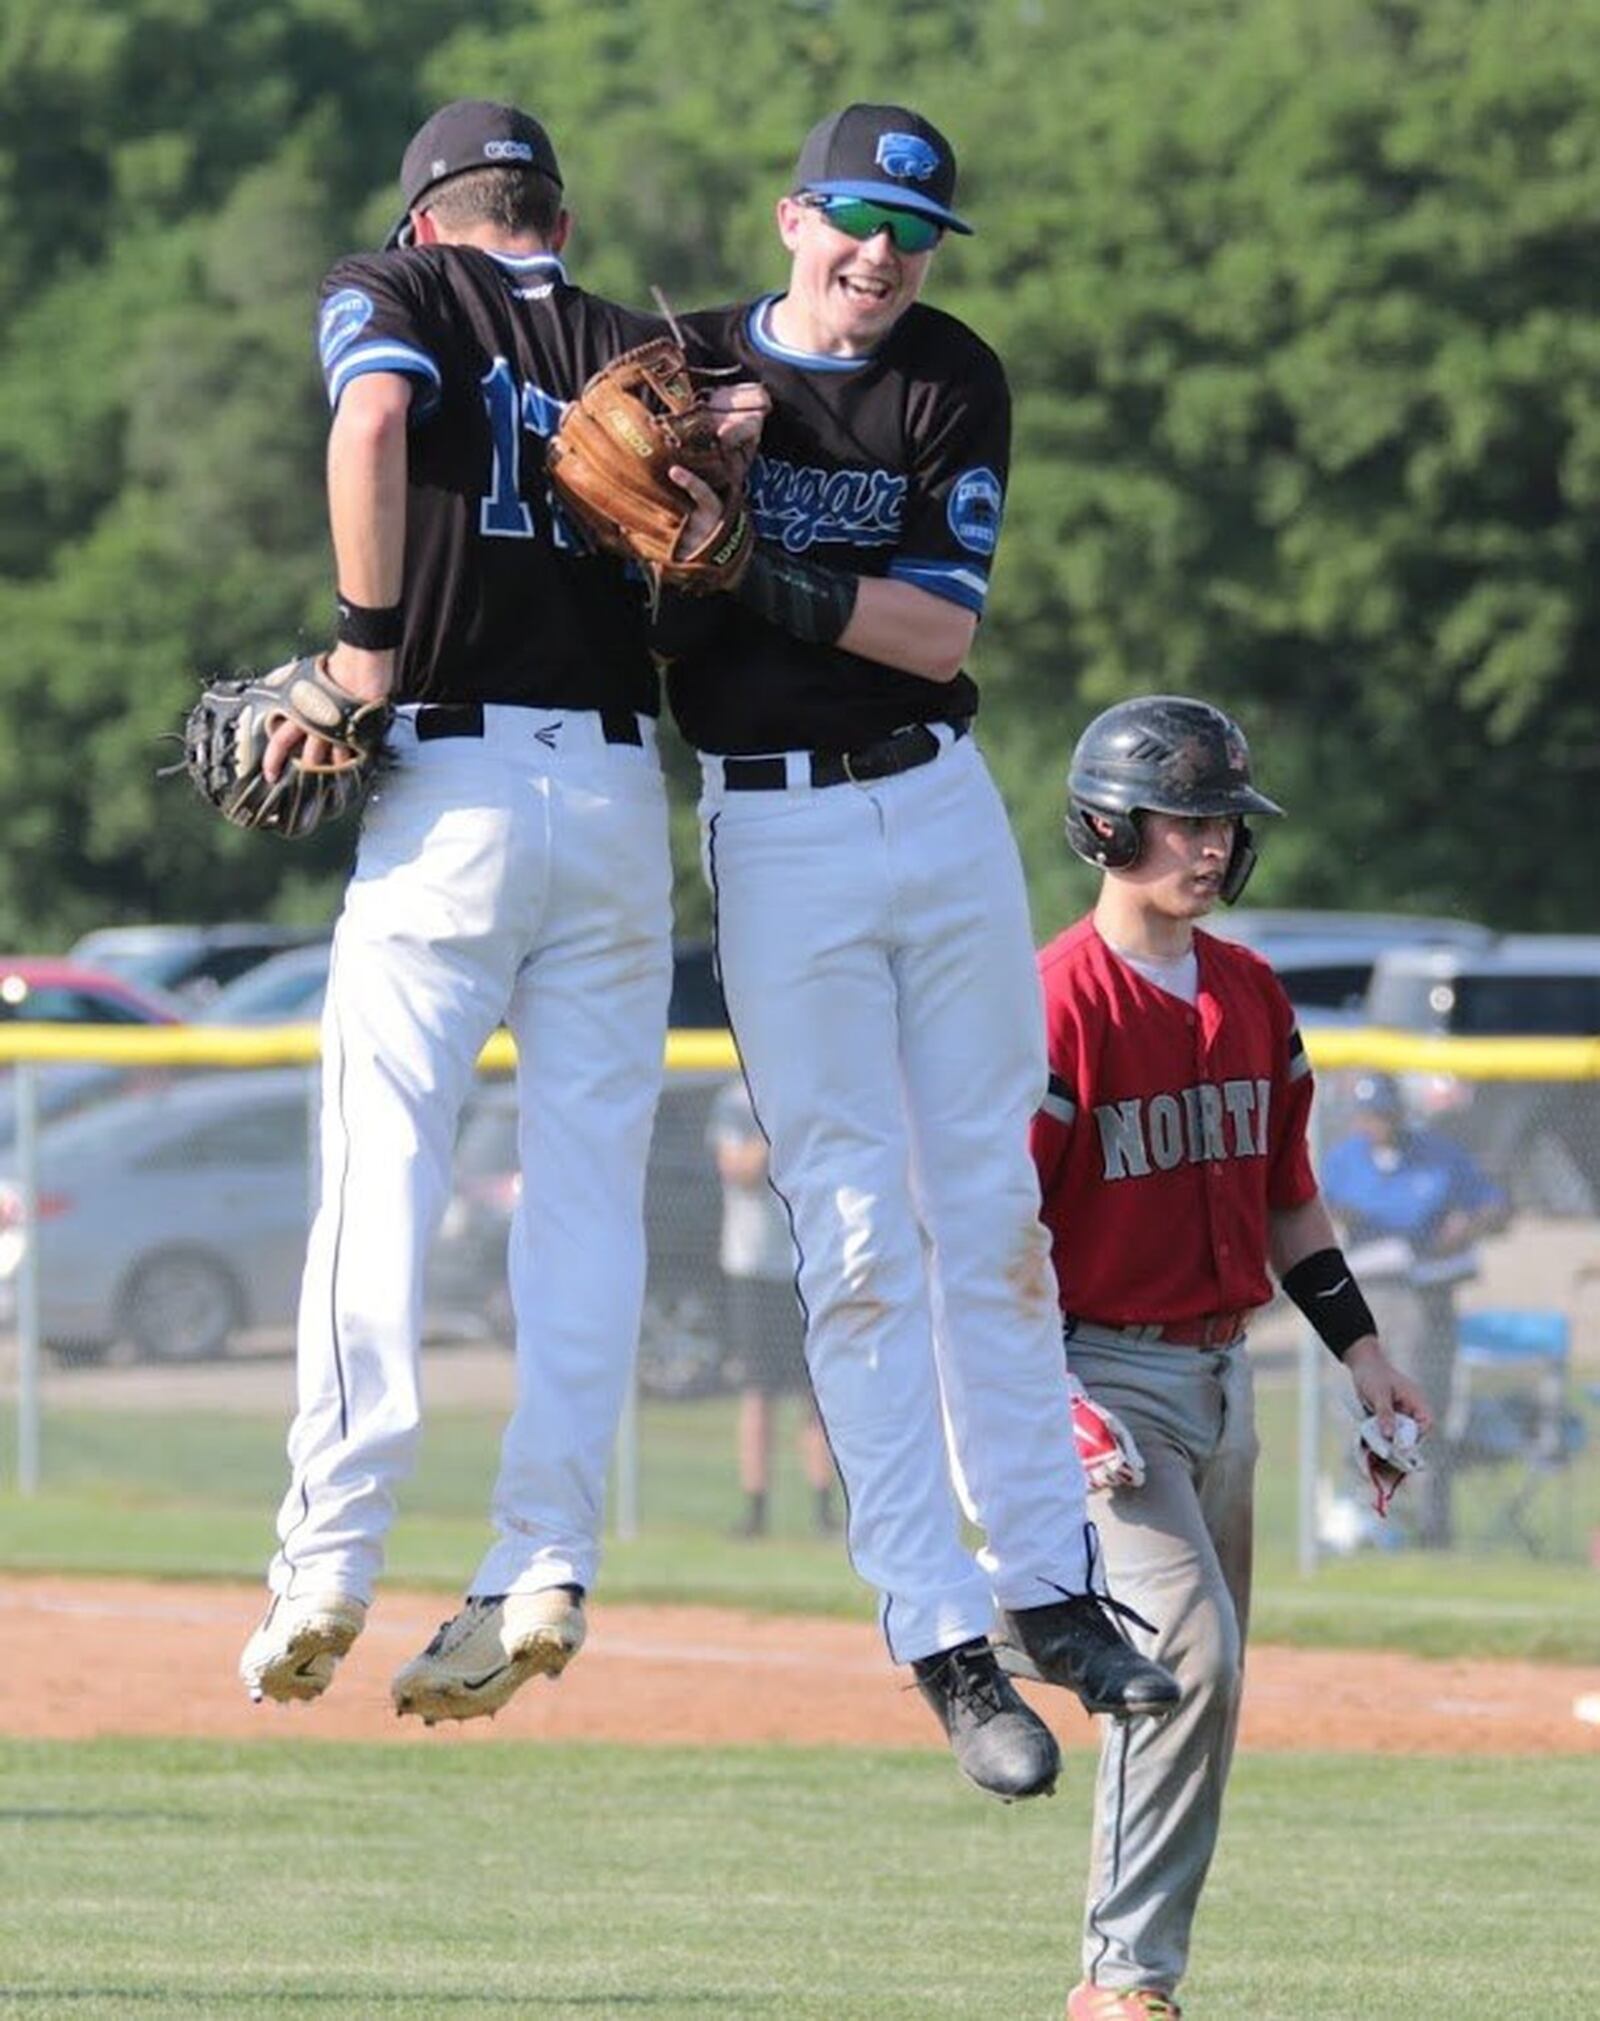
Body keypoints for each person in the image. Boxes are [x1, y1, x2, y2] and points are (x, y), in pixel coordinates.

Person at [663, 103, 1181, 1805]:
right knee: (863, 1238)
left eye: (912, 232)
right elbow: (617, 572)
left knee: (996, 1215)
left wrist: (761, 565)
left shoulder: (952, 373)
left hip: (938, 801)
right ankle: (941, 1639)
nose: (881, 256)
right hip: (778, 827)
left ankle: (1051, 1592)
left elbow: (937, 625)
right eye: (858, 220)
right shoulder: (674, 367)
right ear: (793, 211)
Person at [237, 100, 761, 1724]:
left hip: (449, 788)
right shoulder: (635, 339)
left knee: (381, 1168)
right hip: (616, 801)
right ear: (554, 215)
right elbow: (741, 431)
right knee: (587, 1202)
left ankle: (329, 1558)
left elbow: (377, 422)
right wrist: (728, 430)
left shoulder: (398, 293)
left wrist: (357, 651)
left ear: (425, 223)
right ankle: (545, 1557)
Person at [1030, 694, 1434, 2020]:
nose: (1213, 844)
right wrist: (1045, 1394)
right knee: (1187, 1653)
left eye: (1222, 821)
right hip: (1097, 1370)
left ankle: (985, 1624)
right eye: (1187, 817)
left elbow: (1288, 1200)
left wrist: (1363, 1351)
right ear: (1107, 823)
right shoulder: (1057, 1004)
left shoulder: (1253, 994)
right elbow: (985, 1232)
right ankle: (1123, 1983)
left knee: (1207, 1681)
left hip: (1223, 1377)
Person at [1321, 1071, 1509, 1547]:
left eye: (1382, 1115)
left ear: (1399, 1114)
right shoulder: (1344, 1160)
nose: (1375, 1125)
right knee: (1360, 1413)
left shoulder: (1437, 1154)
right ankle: (1368, 1525)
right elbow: (1315, 1213)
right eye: (1366, 1116)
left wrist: (1466, 1226)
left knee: (1425, 1414)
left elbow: (1494, 1204)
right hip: (1365, 1299)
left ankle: (1430, 1529)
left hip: (1427, 1299)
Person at [707, 1075, 838, 1539]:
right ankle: (756, 1509)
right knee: (758, 1389)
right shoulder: (735, 1100)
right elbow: (739, 1170)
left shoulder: (809, 1088)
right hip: (753, 1266)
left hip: (807, 1264)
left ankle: (825, 1511)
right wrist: (779, 1131)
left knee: (815, 1393)